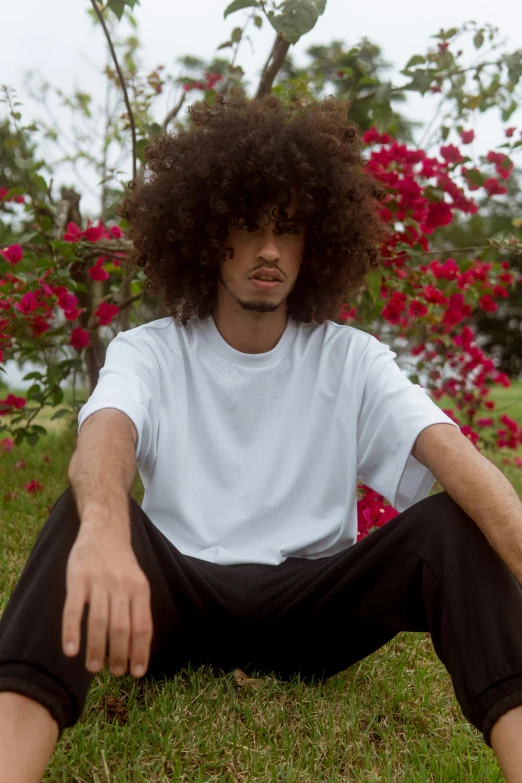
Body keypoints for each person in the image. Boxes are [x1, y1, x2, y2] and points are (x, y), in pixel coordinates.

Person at [1, 90, 522, 783]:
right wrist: (103, 523)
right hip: (175, 609)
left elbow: (451, 453)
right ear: (206, 232)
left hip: (312, 616)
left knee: (457, 527)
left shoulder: (352, 357)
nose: (270, 250)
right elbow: (105, 435)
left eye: (290, 227)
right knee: (82, 513)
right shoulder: (150, 349)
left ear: (319, 240)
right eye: (247, 225)